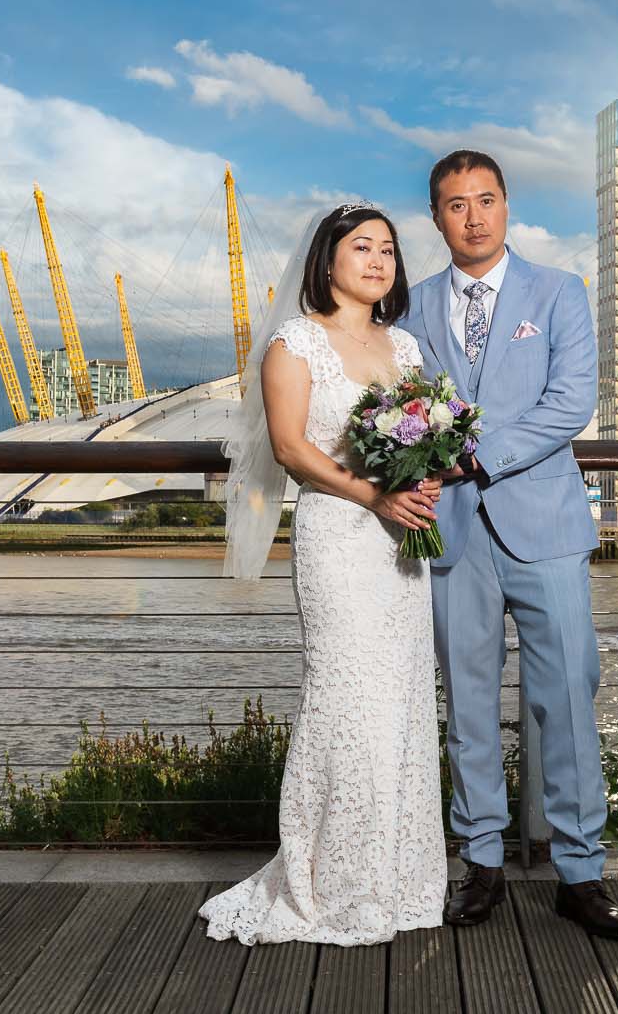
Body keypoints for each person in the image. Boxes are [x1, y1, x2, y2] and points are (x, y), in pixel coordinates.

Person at [399, 149, 618, 941]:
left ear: (508, 207)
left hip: (546, 528)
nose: (473, 216)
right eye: (456, 203)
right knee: (467, 699)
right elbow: (396, 408)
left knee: (567, 691)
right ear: (436, 216)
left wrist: (477, 455)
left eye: (486, 200)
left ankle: (580, 869)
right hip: (454, 532)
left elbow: (572, 401)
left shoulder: (559, 291)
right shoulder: (412, 309)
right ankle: (481, 861)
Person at [199, 203, 448, 946]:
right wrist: (375, 492)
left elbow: (420, 433)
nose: (377, 261)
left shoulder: (403, 346)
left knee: (401, 697)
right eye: (361, 247)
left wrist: (423, 480)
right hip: (340, 536)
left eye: (389, 250)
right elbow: (289, 447)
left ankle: (397, 879)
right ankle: (326, 881)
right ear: (327, 259)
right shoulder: (294, 341)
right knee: (346, 695)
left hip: (401, 543)